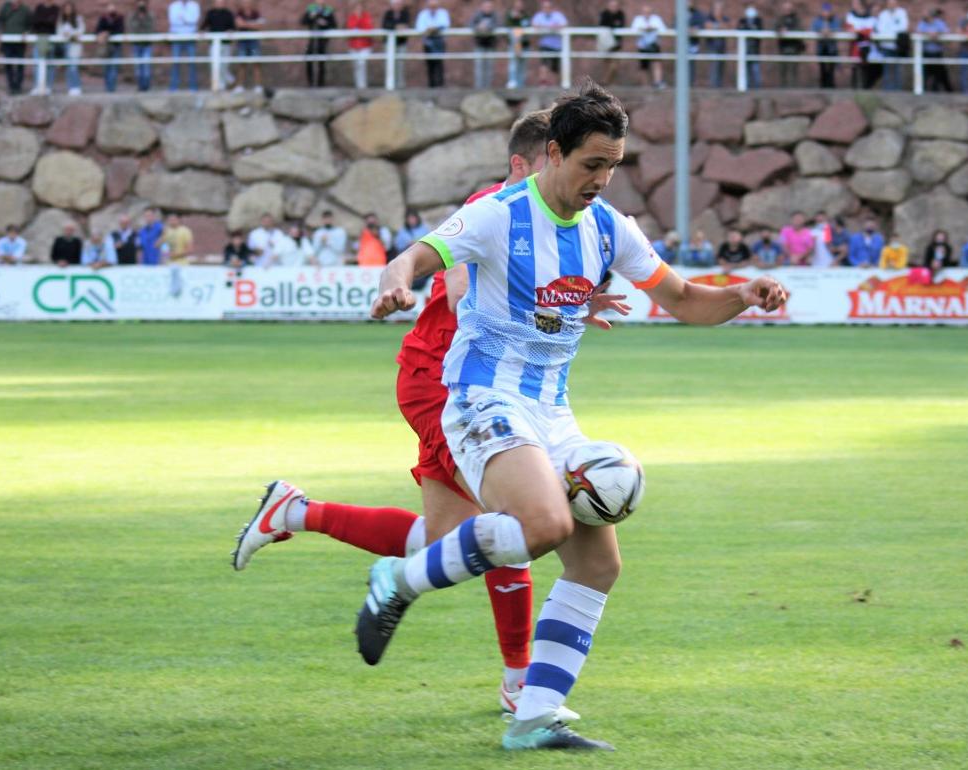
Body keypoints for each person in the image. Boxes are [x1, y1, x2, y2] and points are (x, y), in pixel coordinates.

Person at [346, 82, 786, 752]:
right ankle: (396, 580)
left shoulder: (611, 228)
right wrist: (396, 281)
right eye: (590, 164)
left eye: (612, 166)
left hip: (551, 412)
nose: (601, 180)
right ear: (553, 153)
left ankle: (533, 718)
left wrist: (743, 295)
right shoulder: (498, 213)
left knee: (597, 564)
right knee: (544, 524)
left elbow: (686, 300)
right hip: (480, 399)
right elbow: (420, 254)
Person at [234, 111, 573, 722]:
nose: (567, 179)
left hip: (459, 383)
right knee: (515, 524)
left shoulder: (550, 220)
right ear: (524, 164)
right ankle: (521, 684)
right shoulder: (492, 205)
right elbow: (464, 286)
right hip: (447, 384)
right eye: (558, 163)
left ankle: (293, 510)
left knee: (445, 542)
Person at [0, 0, 32, 94]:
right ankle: (11, 86)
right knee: (8, 64)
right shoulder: (6, 7)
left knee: (20, 64)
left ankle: (18, 86)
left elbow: (30, 24)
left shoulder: (25, 10)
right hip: (7, 41)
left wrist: (27, 32)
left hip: (20, 42)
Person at [202, 0, 237, 90]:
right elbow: (204, 25)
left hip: (225, 43)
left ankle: (225, 83)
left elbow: (232, 27)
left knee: (224, 65)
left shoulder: (228, 14)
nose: (220, 4)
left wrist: (230, 31)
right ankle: (225, 82)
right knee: (215, 64)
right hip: (214, 44)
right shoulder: (211, 13)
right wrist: (202, 31)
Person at [531, 0, 567, 87]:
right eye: (545, 7)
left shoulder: (558, 16)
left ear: (552, 8)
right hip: (545, 44)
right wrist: (545, 27)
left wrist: (556, 27)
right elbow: (534, 25)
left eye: (548, 7)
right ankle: (543, 83)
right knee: (544, 64)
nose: (547, 9)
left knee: (555, 67)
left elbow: (564, 24)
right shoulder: (539, 16)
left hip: (556, 45)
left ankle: (554, 85)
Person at [302, 1, 337, 88]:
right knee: (309, 60)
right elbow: (303, 21)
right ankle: (311, 83)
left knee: (322, 62)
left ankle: (320, 84)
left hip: (323, 40)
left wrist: (325, 23)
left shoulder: (328, 11)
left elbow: (334, 25)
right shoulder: (311, 9)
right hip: (313, 40)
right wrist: (311, 17)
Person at [875, 0, 908, 91]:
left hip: (898, 46)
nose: (892, 5)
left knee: (898, 69)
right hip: (886, 46)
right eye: (890, 3)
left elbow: (903, 28)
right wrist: (892, 32)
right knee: (887, 69)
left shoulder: (901, 13)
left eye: (893, 3)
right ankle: (887, 90)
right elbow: (880, 29)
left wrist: (890, 32)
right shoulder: (883, 14)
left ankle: (898, 90)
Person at [845, 0, 879, 89]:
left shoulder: (869, 17)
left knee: (866, 68)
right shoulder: (850, 16)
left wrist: (859, 32)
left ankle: (865, 88)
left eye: (856, 3)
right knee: (855, 67)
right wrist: (858, 32)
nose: (854, 5)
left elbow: (869, 30)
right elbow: (849, 29)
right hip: (854, 47)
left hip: (866, 47)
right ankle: (854, 88)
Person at [168, 0, 200, 91]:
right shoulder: (173, 6)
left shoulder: (194, 5)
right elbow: (173, 21)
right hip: (177, 36)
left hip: (190, 36)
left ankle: (193, 87)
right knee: (175, 62)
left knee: (192, 62)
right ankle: (174, 87)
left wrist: (183, 18)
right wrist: (188, 19)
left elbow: (194, 20)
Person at [414, 0, 448, 88]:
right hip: (428, 42)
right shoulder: (423, 14)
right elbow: (420, 28)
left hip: (439, 42)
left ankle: (440, 85)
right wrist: (429, 29)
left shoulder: (443, 13)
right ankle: (431, 86)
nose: (433, 9)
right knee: (430, 64)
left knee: (439, 63)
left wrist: (434, 28)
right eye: (431, 7)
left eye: (435, 7)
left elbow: (445, 24)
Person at [632, 4, 666, 88]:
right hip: (642, 46)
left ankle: (657, 82)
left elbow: (664, 29)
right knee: (644, 66)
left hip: (654, 44)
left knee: (657, 63)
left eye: (648, 12)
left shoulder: (656, 19)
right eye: (645, 12)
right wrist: (643, 28)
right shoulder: (638, 19)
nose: (646, 13)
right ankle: (645, 85)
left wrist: (653, 28)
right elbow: (633, 30)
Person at [233, 0, 264, 92]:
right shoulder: (239, 13)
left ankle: (258, 86)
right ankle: (240, 86)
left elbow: (260, 26)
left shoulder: (256, 14)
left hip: (254, 42)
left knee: (256, 63)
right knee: (241, 64)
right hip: (242, 42)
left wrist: (245, 24)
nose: (246, 3)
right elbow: (238, 24)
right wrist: (252, 24)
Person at [29, 0, 60, 93]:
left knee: (50, 63)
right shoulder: (39, 8)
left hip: (51, 39)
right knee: (37, 62)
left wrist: (43, 21)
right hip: (39, 38)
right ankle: (37, 86)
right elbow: (35, 22)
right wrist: (46, 21)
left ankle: (48, 86)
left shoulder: (56, 9)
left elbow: (53, 23)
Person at [918, 7, 951, 92]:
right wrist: (927, 34)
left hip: (937, 53)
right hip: (926, 52)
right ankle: (922, 91)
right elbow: (918, 32)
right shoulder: (922, 23)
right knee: (924, 74)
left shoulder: (939, 23)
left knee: (938, 74)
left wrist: (937, 34)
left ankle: (935, 91)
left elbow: (946, 31)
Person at [381, 0, 411, 88]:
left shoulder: (405, 13)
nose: (398, 6)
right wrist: (396, 26)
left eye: (399, 4)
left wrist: (396, 26)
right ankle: (390, 85)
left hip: (401, 43)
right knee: (389, 65)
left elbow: (406, 25)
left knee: (400, 64)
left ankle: (400, 85)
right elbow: (385, 25)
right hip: (389, 44)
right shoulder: (388, 14)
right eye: (396, 4)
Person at [95, 2, 124, 92]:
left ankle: (112, 88)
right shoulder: (103, 19)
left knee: (114, 68)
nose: (111, 9)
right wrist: (102, 34)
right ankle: (108, 87)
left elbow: (119, 30)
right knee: (106, 67)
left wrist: (108, 33)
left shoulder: (119, 18)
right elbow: (98, 30)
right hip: (106, 47)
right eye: (109, 7)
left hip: (116, 46)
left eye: (113, 7)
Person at [773, 1, 803, 88]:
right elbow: (775, 27)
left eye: (789, 8)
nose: (787, 10)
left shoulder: (796, 19)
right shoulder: (780, 19)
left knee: (793, 69)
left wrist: (789, 31)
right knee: (783, 69)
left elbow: (800, 29)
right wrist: (779, 30)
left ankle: (793, 89)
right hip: (783, 47)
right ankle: (783, 89)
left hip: (794, 47)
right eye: (785, 8)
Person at [345, 0, 375, 89]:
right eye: (356, 8)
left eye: (360, 8)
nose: (358, 10)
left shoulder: (366, 17)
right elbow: (350, 28)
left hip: (365, 46)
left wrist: (360, 21)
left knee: (362, 64)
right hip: (354, 46)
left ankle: (363, 86)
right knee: (356, 66)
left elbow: (369, 28)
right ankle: (357, 85)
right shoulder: (351, 17)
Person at [812, 2, 841, 88]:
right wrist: (821, 31)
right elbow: (813, 29)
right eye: (824, 11)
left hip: (832, 48)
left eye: (828, 11)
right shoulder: (817, 20)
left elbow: (838, 30)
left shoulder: (835, 20)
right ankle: (823, 86)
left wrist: (830, 32)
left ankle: (831, 86)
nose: (826, 13)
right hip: (821, 48)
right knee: (822, 68)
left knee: (831, 68)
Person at [55, 0, 82, 94]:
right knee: (68, 67)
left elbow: (81, 30)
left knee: (73, 67)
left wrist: (71, 34)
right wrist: (65, 34)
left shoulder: (78, 19)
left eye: (69, 8)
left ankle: (76, 87)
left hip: (74, 45)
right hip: (64, 45)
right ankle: (70, 87)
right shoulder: (61, 20)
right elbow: (59, 31)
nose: (68, 10)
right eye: (66, 8)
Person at [471, 0, 499, 89]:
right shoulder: (477, 15)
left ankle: (488, 89)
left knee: (489, 69)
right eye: (486, 6)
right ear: (482, 7)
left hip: (490, 45)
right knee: (479, 69)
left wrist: (488, 27)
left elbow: (497, 25)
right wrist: (478, 27)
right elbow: (470, 25)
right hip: (480, 45)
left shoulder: (494, 15)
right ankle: (479, 89)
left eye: (489, 7)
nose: (488, 9)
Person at [128, 0, 154, 91]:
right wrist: (139, 22)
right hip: (136, 44)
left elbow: (151, 29)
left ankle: (146, 86)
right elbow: (131, 29)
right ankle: (140, 86)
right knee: (138, 67)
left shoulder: (150, 16)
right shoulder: (133, 16)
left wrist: (143, 21)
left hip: (147, 44)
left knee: (146, 66)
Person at [597, 0, 624, 85]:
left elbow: (621, 25)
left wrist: (612, 24)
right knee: (606, 64)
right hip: (606, 43)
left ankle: (605, 82)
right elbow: (603, 24)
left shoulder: (620, 14)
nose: (614, 8)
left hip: (616, 44)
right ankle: (606, 83)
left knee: (615, 65)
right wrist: (613, 24)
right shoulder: (604, 14)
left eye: (615, 6)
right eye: (612, 6)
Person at [703, 0, 729, 88]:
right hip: (712, 46)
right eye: (717, 8)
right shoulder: (709, 18)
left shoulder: (724, 18)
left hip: (722, 46)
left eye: (720, 8)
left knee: (721, 66)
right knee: (713, 66)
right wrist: (718, 26)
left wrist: (718, 21)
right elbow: (707, 26)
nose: (718, 10)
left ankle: (719, 85)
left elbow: (727, 28)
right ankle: (713, 85)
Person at [737, 4, 763, 89]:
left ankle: (757, 87)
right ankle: (745, 86)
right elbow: (739, 29)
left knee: (755, 69)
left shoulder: (758, 21)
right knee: (745, 69)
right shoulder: (742, 20)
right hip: (744, 49)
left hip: (755, 49)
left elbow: (759, 31)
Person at [505, 2, 529, 87]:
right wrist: (514, 18)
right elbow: (507, 25)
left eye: (520, 5)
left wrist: (520, 18)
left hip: (524, 44)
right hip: (513, 44)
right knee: (513, 64)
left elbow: (527, 26)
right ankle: (512, 83)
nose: (519, 7)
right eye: (517, 5)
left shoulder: (526, 15)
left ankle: (521, 84)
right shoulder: (509, 15)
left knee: (523, 65)